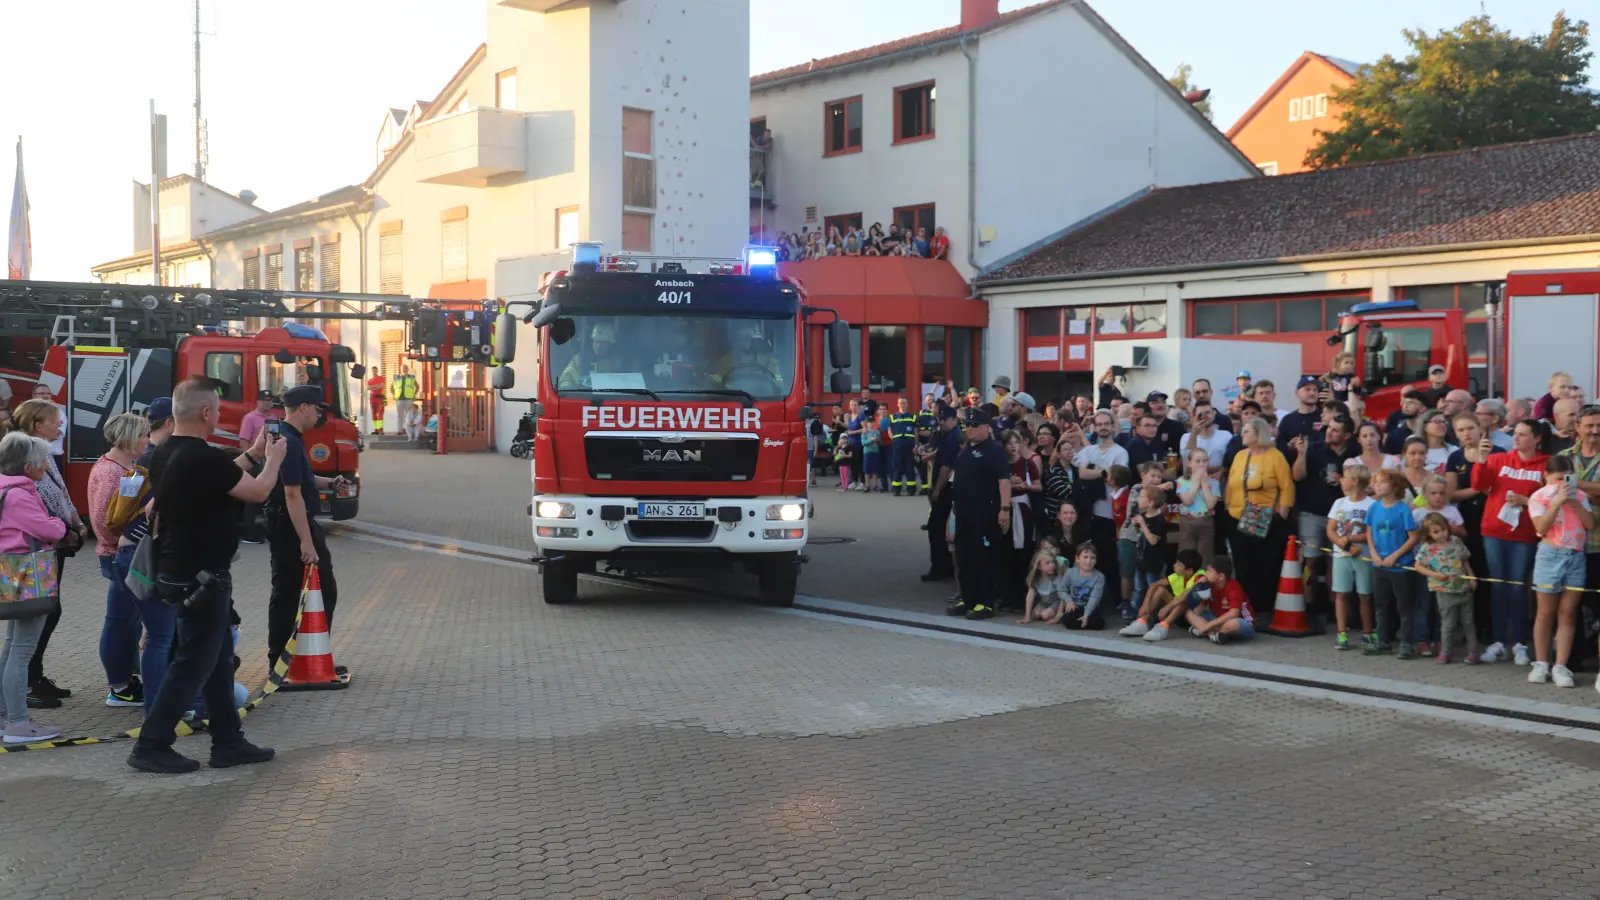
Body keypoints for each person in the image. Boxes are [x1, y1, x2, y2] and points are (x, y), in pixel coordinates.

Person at [128, 377, 286, 774]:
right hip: (200, 576)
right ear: (205, 413)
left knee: (216, 661)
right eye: (216, 409)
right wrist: (274, 460)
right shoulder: (202, 457)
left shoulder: (166, 452)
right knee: (192, 663)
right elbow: (257, 492)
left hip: (179, 571)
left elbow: (220, 475)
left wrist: (251, 453)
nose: (219, 415)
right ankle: (151, 744)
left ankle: (228, 742)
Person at [264, 385, 347, 670]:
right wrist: (306, 541)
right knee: (296, 592)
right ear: (303, 407)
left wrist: (329, 481)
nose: (319, 413)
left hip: (292, 524)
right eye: (317, 408)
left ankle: (303, 657)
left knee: (301, 590)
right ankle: (289, 661)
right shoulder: (288, 441)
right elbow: (291, 493)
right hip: (292, 526)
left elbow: (304, 479)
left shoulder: (290, 439)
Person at [10, 399, 85, 709]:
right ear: (38, 425)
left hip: (55, 543)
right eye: (55, 421)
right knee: (41, 612)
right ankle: (27, 683)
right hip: (35, 548)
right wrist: (64, 529)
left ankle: (35, 675)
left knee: (49, 611)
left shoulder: (47, 454)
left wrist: (78, 523)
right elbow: (42, 499)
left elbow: (61, 492)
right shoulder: (26, 457)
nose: (60, 426)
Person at [0, 433, 69, 743]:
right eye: (42, 459)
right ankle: (17, 722)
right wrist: (59, 524)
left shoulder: (5, 488)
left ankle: (4, 716)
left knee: (12, 648)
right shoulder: (19, 495)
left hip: (10, 574)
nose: (46, 464)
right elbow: (48, 528)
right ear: (27, 466)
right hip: (29, 576)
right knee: (22, 651)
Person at [1467, 418, 1549, 666]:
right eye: (1516, 434)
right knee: (1498, 586)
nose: (1517, 438)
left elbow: (1551, 498)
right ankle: (1499, 641)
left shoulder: (1545, 464)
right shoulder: (1498, 459)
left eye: (1524, 434)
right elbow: (1478, 485)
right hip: (1494, 531)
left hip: (1524, 534)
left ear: (1537, 439)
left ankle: (1520, 643)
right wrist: (1481, 460)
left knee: (1517, 587)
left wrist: (1527, 501)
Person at [87, 413, 153, 710]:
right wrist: (123, 544)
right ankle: (119, 687)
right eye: (143, 435)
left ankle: (127, 679)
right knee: (119, 621)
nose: (147, 441)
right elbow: (103, 521)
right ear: (128, 437)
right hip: (118, 555)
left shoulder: (129, 467)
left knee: (128, 621)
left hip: (128, 553)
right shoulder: (112, 472)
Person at [1526, 456, 1593, 688]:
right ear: (1546, 476)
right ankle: (1541, 662)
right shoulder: (1539, 496)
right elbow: (1541, 528)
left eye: (1565, 479)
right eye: (1556, 480)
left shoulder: (1580, 496)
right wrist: (1556, 502)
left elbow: (1590, 524)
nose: (1559, 485)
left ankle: (1560, 665)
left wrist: (1573, 501)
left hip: (1575, 555)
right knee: (1545, 612)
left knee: (1568, 612)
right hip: (1550, 554)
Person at [945, 408, 1011, 621]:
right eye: (968, 426)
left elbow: (1004, 481)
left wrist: (1004, 509)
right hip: (963, 513)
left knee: (984, 559)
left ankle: (986, 602)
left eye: (974, 426)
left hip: (985, 513)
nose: (970, 429)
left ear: (986, 428)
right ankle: (968, 598)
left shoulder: (994, 451)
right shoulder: (964, 450)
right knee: (965, 558)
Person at [1225, 416, 1294, 616]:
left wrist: (1283, 509)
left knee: (1264, 563)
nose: (1242, 434)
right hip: (1237, 515)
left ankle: (1264, 607)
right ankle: (1246, 605)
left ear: (1258, 434)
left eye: (1246, 431)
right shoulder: (1240, 455)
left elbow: (1287, 485)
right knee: (1242, 563)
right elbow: (1231, 483)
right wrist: (1228, 506)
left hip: (1263, 515)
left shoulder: (1275, 456)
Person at [1293, 414, 1357, 624]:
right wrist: (1301, 454)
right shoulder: (1315, 448)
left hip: (1341, 516)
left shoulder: (1354, 452)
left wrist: (1342, 481)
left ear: (1347, 435)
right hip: (1312, 512)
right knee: (1310, 561)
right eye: (1329, 427)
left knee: (1335, 563)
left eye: (1336, 430)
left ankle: (1334, 608)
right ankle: (1308, 607)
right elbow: (1297, 476)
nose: (1329, 432)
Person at [1074, 411, 1129, 607]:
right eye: (1099, 424)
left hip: (1111, 513)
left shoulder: (1121, 452)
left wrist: (1095, 471)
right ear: (1095, 427)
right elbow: (1082, 473)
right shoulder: (1089, 451)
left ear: (1113, 426)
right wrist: (1105, 471)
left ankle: (1114, 600)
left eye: (1107, 423)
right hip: (1090, 513)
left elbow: (1117, 478)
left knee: (1109, 559)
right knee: (1090, 558)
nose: (1103, 427)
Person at [1365, 469, 1422, 658]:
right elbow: (1369, 532)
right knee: (1381, 604)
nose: (1377, 485)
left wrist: (1395, 556)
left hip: (1400, 566)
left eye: (1382, 482)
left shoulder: (1403, 510)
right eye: (1376, 482)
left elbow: (1412, 537)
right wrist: (1374, 553)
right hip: (1379, 564)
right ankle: (1383, 640)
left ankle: (1406, 642)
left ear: (1394, 486)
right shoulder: (1374, 508)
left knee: (1404, 605)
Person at [1412, 512, 1480, 665]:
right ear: (1429, 534)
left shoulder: (1456, 541)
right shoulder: (1428, 548)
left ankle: (1473, 651)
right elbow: (1418, 566)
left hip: (1463, 587)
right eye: (1436, 532)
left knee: (1468, 621)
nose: (1441, 534)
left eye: (1443, 529)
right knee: (1448, 622)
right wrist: (1434, 574)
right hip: (1444, 590)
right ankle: (1446, 651)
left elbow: (1465, 560)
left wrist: (1472, 577)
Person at [1328, 464, 1376, 651]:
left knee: (1365, 595)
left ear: (1355, 481)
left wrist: (1351, 539)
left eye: (1345, 477)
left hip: (1364, 557)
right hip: (1341, 555)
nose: (1341, 480)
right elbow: (1331, 529)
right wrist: (1345, 543)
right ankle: (1341, 632)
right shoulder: (1339, 503)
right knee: (1341, 593)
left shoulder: (1371, 505)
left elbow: (1370, 533)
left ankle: (1367, 632)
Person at [1119, 548, 1205, 641]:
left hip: (1194, 615)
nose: (1174, 565)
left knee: (1184, 601)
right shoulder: (1178, 576)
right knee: (1160, 590)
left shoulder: (1200, 577)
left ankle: (1163, 626)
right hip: (1178, 612)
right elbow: (1154, 585)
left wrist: (1167, 607)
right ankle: (1142, 621)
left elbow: (1185, 596)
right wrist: (1145, 605)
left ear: (1189, 571)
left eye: (1179, 564)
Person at [1185, 556, 1256, 644]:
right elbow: (1198, 609)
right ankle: (1213, 635)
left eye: (1209, 571)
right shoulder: (1209, 585)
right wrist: (1197, 588)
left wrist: (1207, 625)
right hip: (1218, 620)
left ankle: (1205, 631)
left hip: (1241, 622)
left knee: (1231, 624)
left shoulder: (1233, 587)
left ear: (1221, 576)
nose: (1206, 573)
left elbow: (1233, 614)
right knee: (1189, 613)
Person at [1174, 448, 1220, 556]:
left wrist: (1204, 483)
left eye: (1205, 461)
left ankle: (1202, 572)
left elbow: (1211, 504)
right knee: (1186, 553)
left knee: (1205, 553)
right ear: (1189, 463)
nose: (1202, 464)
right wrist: (1195, 481)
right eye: (1198, 461)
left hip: (1206, 520)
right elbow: (1187, 501)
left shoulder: (1214, 483)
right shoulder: (1182, 481)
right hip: (1188, 521)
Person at [1058, 543, 1107, 630]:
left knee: (1099, 624)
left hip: (1090, 607)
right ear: (1077, 559)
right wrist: (1069, 601)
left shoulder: (1099, 577)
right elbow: (1062, 590)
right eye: (1085, 557)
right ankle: (1083, 622)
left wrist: (1086, 614)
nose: (1088, 561)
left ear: (1096, 561)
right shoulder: (1070, 573)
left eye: (1092, 558)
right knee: (1068, 621)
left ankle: (1084, 620)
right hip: (1074, 606)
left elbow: (1095, 597)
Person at [1017, 543, 1065, 625]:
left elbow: (1063, 598)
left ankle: (1061, 615)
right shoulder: (1036, 579)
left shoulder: (1057, 578)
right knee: (1035, 615)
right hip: (1044, 602)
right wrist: (1027, 616)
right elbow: (1030, 596)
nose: (1052, 565)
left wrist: (1057, 617)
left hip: (1056, 602)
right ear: (1039, 566)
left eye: (1053, 562)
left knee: (1044, 615)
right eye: (1047, 563)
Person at [1276, 376, 1325, 456]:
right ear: (1297, 393)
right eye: (1307, 389)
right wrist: (1289, 446)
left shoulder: (1324, 417)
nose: (1312, 393)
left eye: (1315, 390)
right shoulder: (1288, 420)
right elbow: (1279, 449)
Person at [1179, 401, 1229, 472]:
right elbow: (1187, 462)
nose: (1204, 416)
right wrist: (1194, 433)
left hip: (1218, 479)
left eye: (1208, 413)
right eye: (1200, 414)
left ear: (1213, 415)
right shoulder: (1186, 437)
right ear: (1194, 417)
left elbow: (1230, 463)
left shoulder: (1226, 435)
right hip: (1193, 479)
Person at [887, 397, 919, 497]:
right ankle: (896, 489)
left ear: (907, 404)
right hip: (897, 445)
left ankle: (911, 489)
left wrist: (916, 445)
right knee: (897, 467)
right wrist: (894, 440)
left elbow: (915, 432)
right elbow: (889, 430)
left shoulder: (913, 417)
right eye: (901, 403)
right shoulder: (892, 417)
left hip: (909, 445)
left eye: (904, 403)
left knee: (910, 467)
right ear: (898, 404)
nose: (903, 405)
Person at [1383, 390, 1428, 455]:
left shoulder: (1430, 432)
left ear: (1423, 408)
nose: (1405, 406)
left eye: (1411, 403)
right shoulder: (1394, 436)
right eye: (1404, 403)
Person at [365, 366, 388, 434]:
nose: (374, 372)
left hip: (380, 398)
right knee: (373, 414)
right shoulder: (370, 380)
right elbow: (368, 388)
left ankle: (380, 429)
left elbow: (381, 386)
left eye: (375, 371)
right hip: (372, 398)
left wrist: (373, 387)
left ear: (377, 371)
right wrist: (376, 386)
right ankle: (376, 429)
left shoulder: (382, 378)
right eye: (372, 371)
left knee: (380, 414)